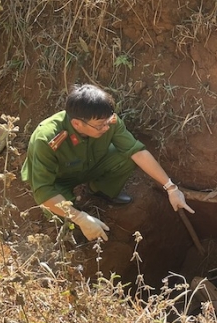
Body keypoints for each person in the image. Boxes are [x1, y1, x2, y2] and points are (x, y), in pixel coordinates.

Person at [21, 84, 193, 242]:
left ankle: (100, 190)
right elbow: (43, 190)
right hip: (58, 181)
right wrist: (80, 218)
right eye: (100, 125)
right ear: (77, 124)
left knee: (126, 156)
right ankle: (76, 221)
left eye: (108, 122)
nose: (106, 128)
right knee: (64, 215)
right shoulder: (46, 138)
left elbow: (137, 151)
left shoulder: (108, 121)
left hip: (90, 166)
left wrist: (171, 188)